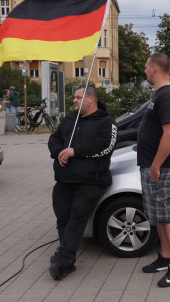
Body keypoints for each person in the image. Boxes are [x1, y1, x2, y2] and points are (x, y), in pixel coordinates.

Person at [47, 86, 117, 281]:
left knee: (77, 218)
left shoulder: (106, 122)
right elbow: (54, 139)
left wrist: (74, 152)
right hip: (64, 180)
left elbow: (104, 147)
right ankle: (67, 259)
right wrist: (59, 151)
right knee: (63, 218)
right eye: (74, 98)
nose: (74, 101)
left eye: (78, 98)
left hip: (90, 181)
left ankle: (61, 260)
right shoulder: (70, 119)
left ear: (90, 100)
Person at [138, 53, 170, 287]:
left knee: (168, 214)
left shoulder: (167, 95)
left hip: (163, 166)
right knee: (159, 213)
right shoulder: (160, 95)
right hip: (153, 164)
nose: (145, 71)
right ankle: (165, 258)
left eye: (147, 67)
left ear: (155, 69)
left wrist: (156, 165)